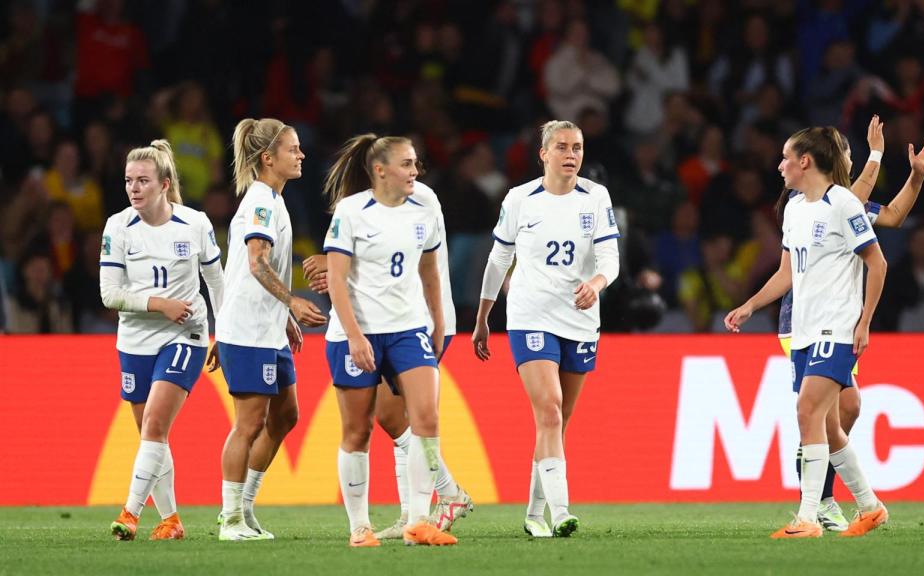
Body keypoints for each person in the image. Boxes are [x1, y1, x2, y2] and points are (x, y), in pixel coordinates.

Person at [773, 117, 924, 531]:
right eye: (848, 154)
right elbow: (855, 193)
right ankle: (820, 502)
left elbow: (896, 214)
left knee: (843, 407)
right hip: (802, 319)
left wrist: (916, 177)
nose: (851, 161)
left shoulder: (842, 203)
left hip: (835, 319)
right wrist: (878, 154)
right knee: (816, 409)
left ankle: (854, 503)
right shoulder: (817, 202)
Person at [725, 126, 888, 538]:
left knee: (807, 412)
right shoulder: (795, 209)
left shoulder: (844, 204)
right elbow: (786, 273)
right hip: (803, 330)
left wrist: (865, 321)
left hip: (837, 326)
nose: (779, 165)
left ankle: (808, 517)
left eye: (785, 158)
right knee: (830, 426)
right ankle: (870, 507)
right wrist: (750, 305)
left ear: (805, 161)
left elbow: (877, 264)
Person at [472, 120, 620, 538]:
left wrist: (596, 283)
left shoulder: (597, 197)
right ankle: (561, 511)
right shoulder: (521, 199)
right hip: (530, 314)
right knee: (550, 409)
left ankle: (534, 513)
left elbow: (610, 257)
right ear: (543, 154)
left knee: (557, 420)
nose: (571, 155)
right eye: (561, 147)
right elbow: (499, 260)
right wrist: (484, 316)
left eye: (577, 147)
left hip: (580, 318)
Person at [302, 179, 473, 540]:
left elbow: (400, 264)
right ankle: (418, 512)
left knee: (400, 419)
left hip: (413, 323)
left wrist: (336, 264)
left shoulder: (416, 198)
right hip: (391, 321)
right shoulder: (370, 205)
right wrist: (338, 265)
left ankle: (439, 500)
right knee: (395, 421)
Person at [102, 140, 224, 540]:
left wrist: (222, 331)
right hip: (135, 339)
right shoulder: (118, 226)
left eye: (143, 181)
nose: (134, 189)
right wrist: (159, 304)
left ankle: (130, 513)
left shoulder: (195, 224)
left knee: (154, 424)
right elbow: (110, 294)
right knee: (150, 436)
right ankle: (171, 520)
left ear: (165, 185)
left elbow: (215, 281)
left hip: (185, 334)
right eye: (128, 181)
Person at [214, 118, 327, 541]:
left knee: (286, 415)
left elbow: (254, 268)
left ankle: (243, 509)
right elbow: (257, 260)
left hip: (267, 328)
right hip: (247, 330)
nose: (301, 155)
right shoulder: (261, 201)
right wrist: (292, 300)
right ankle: (229, 519)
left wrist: (284, 318)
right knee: (248, 424)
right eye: (293, 149)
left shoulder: (275, 200)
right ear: (268, 158)